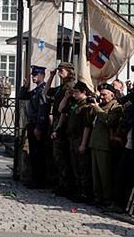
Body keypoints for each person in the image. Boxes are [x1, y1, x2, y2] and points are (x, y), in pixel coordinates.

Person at [88, 83, 123, 207]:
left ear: (112, 95)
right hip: (95, 142)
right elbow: (90, 120)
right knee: (95, 174)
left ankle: (107, 199)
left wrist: (97, 108)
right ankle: (97, 197)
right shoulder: (100, 105)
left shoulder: (116, 107)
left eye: (104, 95)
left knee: (105, 175)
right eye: (101, 94)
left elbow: (109, 121)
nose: (102, 97)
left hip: (105, 145)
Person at [59, 81, 93, 202]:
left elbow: (86, 126)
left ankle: (84, 193)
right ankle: (77, 190)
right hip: (72, 139)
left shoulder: (86, 106)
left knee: (82, 167)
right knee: (75, 167)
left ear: (83, 92)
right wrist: (67, 97)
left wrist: (83, 143)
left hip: (79, 139)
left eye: (76, 92)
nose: (74, 95)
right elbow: (61, 109)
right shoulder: (75, 104)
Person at [46, 61, 76, 196]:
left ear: (69, 71)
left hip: (63, 121)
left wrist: (58, 127)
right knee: (56, 155)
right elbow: (46, 92)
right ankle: (60, 182)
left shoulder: (70, 86)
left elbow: (64, 109)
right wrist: (51, 76)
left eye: (61, 70)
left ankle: (65, 185)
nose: (59, 72)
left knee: (61, 155)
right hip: (57, 120)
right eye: (59, 70)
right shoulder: (61, 86)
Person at [20, 65, 49, 188]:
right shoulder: (36, 90)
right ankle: (35, 179)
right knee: (33, 153)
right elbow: (23, 97)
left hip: (37, 124)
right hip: (32, 123)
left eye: (35, 75)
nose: (33, 77)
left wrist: (38, 127)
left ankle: (39, 180)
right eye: (33, 75)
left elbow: (43, 109)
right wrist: (25, 87)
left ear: (42, 76)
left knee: (38, 154)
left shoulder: (43, 89)